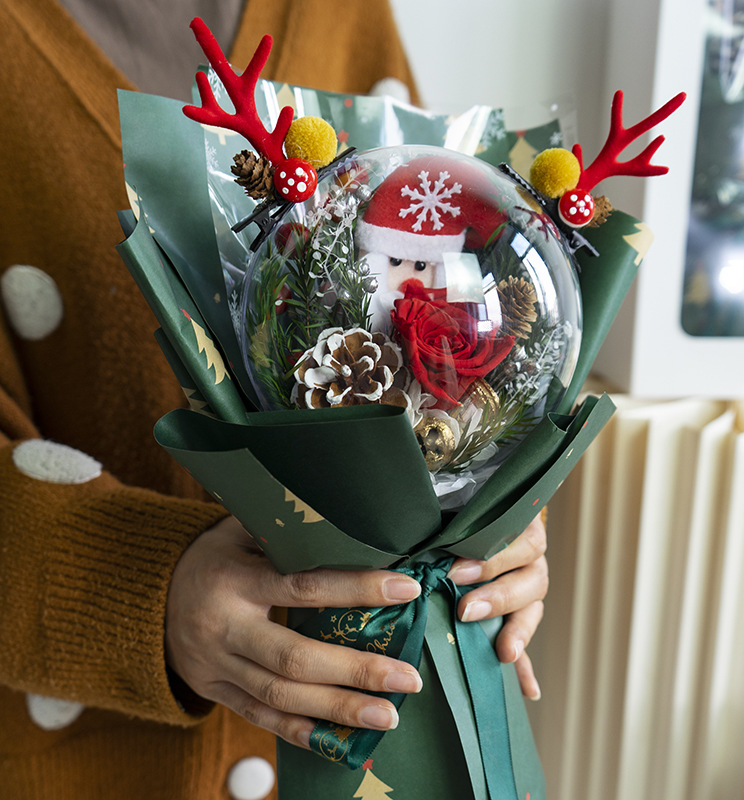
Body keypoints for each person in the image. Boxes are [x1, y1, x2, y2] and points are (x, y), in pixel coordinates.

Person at [0, 1, 549, 798]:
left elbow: (452, 278)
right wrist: (139, 588)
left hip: (392, 736)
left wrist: (495, 503)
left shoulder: (343, 16)